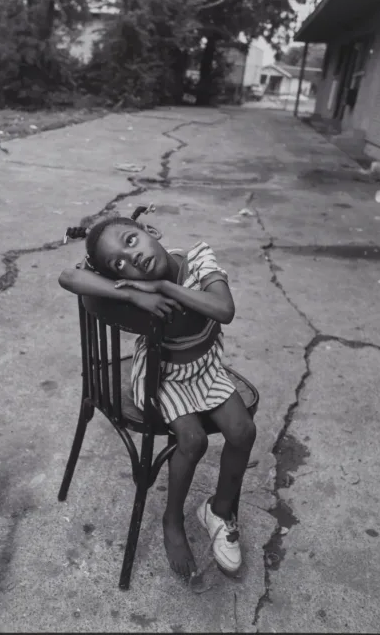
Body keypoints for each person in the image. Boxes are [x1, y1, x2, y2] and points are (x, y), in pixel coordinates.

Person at [58, 206, 256, 580]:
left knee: (244, 431)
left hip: (206, 367)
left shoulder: (198, 258)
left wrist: (162, 288)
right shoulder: (133, 288)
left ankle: (219, 509)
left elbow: (224, 309)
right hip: (161, 375)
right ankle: (172, 520)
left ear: (151, 229)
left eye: (132, 241)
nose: (133, 259)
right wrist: (133, 296)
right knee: (192, 440)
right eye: (119, 265)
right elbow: (69, 275)